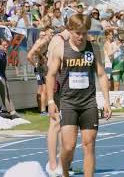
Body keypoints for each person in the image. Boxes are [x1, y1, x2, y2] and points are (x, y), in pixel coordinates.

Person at [46, 14, 112, 177]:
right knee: (68, 146)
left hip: (89, 103)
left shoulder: (93, 49)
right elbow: (51, 75)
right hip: (68, 103)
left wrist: (107, 102)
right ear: (70, 30)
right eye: (78, 33)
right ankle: (65, 173)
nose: (81, 37)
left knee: (89, 145)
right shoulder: (60, 49)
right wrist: (50, 101)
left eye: (84, 33)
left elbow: (102, 75)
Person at [45, 29, 71, 177]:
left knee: (64, 124)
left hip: (64, 85)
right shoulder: (58, 40)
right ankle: (53, 164)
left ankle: (63, 163)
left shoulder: (65, 40)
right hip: (57, 85)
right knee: (55, 123)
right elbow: (51, 68)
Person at [27, 26, 54, 116]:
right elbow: (31, 54)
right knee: (44, 89)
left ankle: (42, 110)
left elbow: (32, 54)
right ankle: (43, 110)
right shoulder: (44, 41)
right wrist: (41, 57)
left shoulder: (41, 41)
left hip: (39, 67)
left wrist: (36, 63)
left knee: (41, 89)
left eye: (53, 33)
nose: (52, 34)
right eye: (51, 33)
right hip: (41, 68)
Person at [0, 38, 20, 119]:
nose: (6, 47)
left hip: (2, 76)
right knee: (5, 95)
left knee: (7, 94)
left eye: (6, 45)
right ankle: (11, 112)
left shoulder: (3, 54)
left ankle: (12, 112)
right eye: (4, 45)